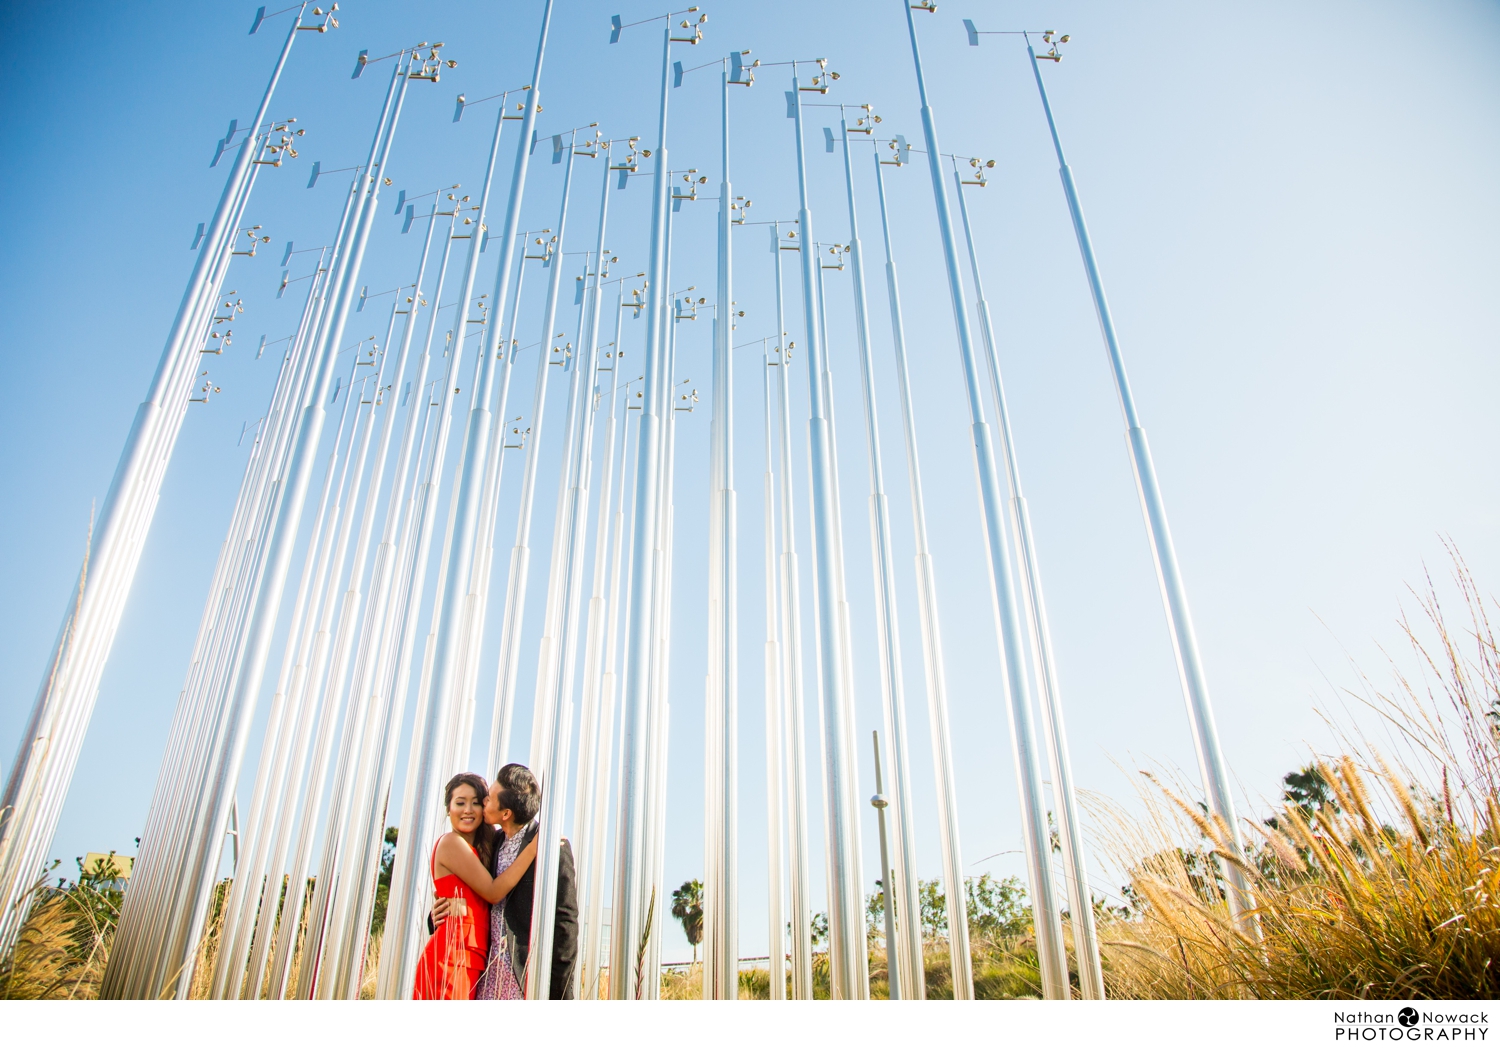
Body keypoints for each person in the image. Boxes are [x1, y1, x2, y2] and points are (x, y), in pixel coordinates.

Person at [434, 763, 579, 999]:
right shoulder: (491, 843)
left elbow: (565, 921)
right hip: (484, 977)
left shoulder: (551, 846)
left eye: (488, 799)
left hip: (524, 978)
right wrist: (437, 915)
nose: (482, 804)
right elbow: (466, 892)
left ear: (506, 814)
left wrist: (560, 992)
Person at [412, 773, 537, 1000]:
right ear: (448, 808)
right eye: (460, 803)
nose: (468, 809)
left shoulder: (486, 848)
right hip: (451, 959)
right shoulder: (451, 843)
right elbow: (492, 892)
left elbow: (467, 902)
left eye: (477, 803)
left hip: (472, 961)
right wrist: (535, 846)